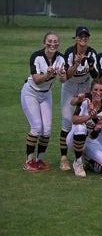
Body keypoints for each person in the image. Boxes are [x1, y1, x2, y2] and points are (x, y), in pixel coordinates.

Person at [21, 32, 67, 171]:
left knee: (46, 130)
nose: (52, 44)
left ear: (58, 44)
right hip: (31, 92)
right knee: (36, 127)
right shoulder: (37, 56)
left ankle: (40, 159)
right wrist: (48, 73)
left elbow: (63, 80)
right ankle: (29, 160)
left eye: (55, 41)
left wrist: (62, 74)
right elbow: (36, 79)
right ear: (44, 43)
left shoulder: (61, 58)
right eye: (49, 41)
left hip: (46, 94)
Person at [59, 26, 98, 171]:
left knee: (86, 120)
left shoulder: (92, 53)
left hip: (84, 87)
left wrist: (92, 66)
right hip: (69, 87)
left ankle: (82, 155)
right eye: (80, 36)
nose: (83, 39)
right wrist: (76, 63)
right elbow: (67, 76)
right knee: (67, 122)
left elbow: (95, 76)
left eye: (86, 36)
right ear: (76, 38)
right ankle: (63, 157)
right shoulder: (70, 52)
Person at [66, 79, 102, 177]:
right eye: (95, 90)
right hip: (74, 138)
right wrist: (89, 116)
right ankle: (78, 162)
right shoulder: (85, 102)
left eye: (101, 90)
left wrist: (96, 123)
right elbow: (74, 119)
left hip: (90, 141)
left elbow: (97, 134)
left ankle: (87, 159)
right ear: (91, 91)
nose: (98, 93)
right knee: (80, 128)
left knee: (99, 169)